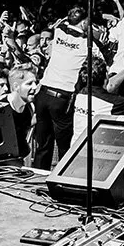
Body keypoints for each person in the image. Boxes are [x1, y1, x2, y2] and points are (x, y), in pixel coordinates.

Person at [31, 14, 98, 170]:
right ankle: (61, 180)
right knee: (64, 147)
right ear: (84, 22)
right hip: (62, 99)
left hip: (43, 95)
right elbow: (100, 61)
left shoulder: (59, 31)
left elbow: (59, 22)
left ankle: (35, 179)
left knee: (43, 145)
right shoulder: (87, 44)